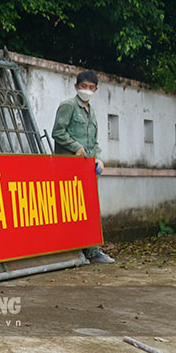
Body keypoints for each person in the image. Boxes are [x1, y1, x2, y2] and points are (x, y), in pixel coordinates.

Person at [52, 70, 114, 264]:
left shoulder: (91, 112)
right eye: (83, 86)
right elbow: (58, 132)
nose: (87, 90)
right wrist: (76, 147)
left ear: (95, 89)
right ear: (76, 87)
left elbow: (94, 142)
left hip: (87, 168)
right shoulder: (68, 106)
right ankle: (74, 252)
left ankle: (93, 251)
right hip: (69, 167)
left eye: (91, 87)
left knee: (90, 209)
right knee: (71, 208)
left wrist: (98, 159)